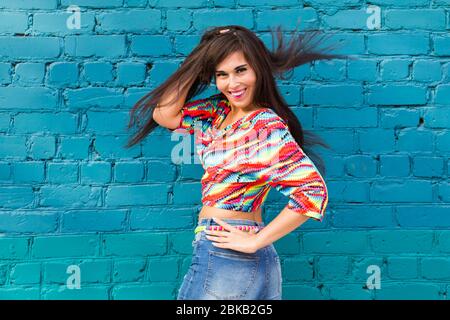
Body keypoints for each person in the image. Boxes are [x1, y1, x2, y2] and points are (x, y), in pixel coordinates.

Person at [124, 25, 346, 300]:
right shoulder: (217, 112)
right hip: (247, 259)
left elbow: (312, 192)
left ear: (257, 69)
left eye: (241, 70)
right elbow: (164, 114)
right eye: (222, 74)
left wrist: (255, 241)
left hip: (227, 252)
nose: (233, 83)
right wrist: (202, 55)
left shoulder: (264, 125)